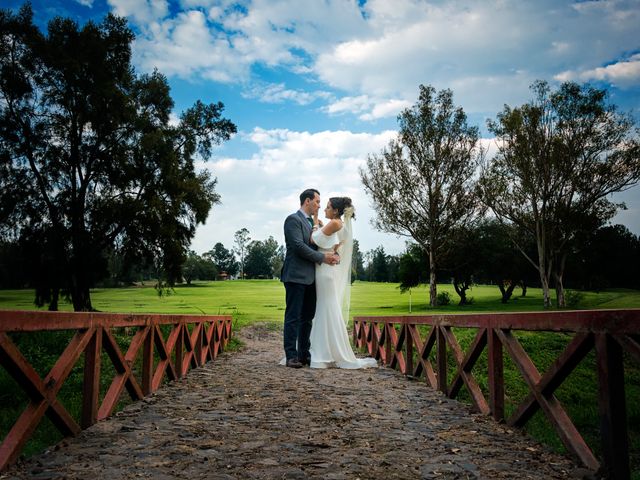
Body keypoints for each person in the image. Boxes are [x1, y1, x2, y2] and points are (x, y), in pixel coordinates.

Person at [308, 197, 377, 369]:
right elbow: (333, 246)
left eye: (328, 207)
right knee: (326, 306)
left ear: (336, 211)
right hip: (326, 269)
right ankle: (327, 349)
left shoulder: (335, 223)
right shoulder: (338, 225)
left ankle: (324, 352)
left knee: (326, 307)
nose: (324, 209)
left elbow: (313, 240)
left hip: (324, 271)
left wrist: (316, 222)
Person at [281, 189, 340, 368]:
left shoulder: (312, 222)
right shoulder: (293, 220)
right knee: (293, 316)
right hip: (296, 275)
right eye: (317, 201)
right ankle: (291, 356)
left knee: (307, 317)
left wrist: (334, 253)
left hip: (312, 278)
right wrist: (323, 258)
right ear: (307, 201)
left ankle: (304, 354)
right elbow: (298, 246)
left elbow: (318, 244)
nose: (319, 205)